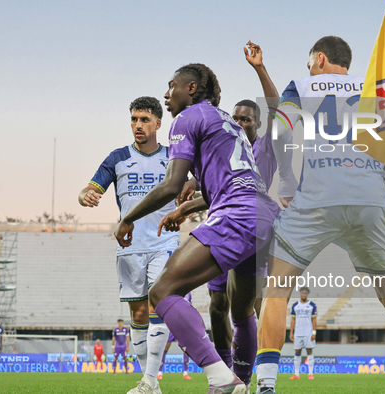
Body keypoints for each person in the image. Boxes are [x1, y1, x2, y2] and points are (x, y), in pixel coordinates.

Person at [254, 35, 385, 394]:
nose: (309, 68)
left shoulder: (302, 85)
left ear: (320, 59)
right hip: (372, 197)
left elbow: (280, 129)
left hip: (317, 197)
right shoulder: (378, 88)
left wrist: (286, 180)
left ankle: (267, 386)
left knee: (276, 290)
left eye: (310, 63)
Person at [114, 62, 279, 394]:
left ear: (191, 88)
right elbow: (233, 182)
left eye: (172, 85)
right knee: (243, 308)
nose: (166, 93)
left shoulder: (187, 118)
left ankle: (221, 378)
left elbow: (171, 184)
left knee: (161, 292)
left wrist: (128, 217)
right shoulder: (228, 123)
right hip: (264, 216)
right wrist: (190, 205)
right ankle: (241, 384)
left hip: (234, 216)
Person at [174, 40, 279, 383]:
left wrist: (259, 68)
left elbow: (278, 110)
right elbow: (216, 190)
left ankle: (250, 376)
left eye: (246, 119)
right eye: (234, 118)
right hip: (221, 222)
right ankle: (225, 374)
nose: (239, 122)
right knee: (217, 306)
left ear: (257, 125)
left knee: (244, 307)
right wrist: (192, 194)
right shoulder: (223, 147)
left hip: (249, 226)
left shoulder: (265, 147)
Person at [78, 96, 177, 394]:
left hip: (164, 240)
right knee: (138, 315)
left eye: (145, 120)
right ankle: (151, 381)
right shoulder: (117, 157)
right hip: (131, 245)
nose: (138, 125)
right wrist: (86, 195)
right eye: (134, 119)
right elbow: (91, 187)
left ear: (158, 123)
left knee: (160, 303)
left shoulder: (174, 157)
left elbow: (198, 182)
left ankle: (148, 381)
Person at [158, 293, 193, 381]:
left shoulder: (188, 293)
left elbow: (190, 307)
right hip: (171, 324)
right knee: (165, 347)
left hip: (183, 325)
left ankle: (185, 373)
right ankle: (159, 372)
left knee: (186, 349)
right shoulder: (172, 290)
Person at [289, 287, 317, 380]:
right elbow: (293, 320)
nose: (304, 294)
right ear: (300, 293)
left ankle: (310, 373)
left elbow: (314, 319)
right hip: (298, 333)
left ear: (307, 294)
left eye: (305, 293)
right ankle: (296, 374)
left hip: (308, 333)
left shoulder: (312, 305)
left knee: (309, 351)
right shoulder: (295, 305)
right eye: (302, 293)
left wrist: (314, 332)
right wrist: (291, 332)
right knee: (297, 352)